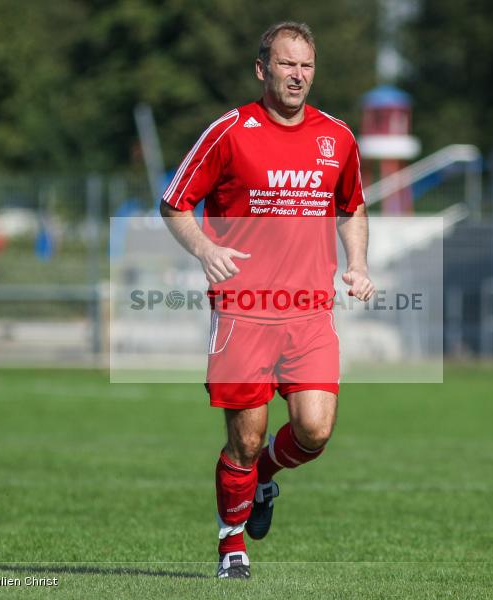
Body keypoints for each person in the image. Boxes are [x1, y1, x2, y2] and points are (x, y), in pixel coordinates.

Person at [159, 21, 374, 579]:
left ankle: (262, 482)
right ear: (262, 69)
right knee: (246, 440)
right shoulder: (230, 132)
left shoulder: (337, 137)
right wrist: (206, 249)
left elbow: (352, 205)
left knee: (315, 430)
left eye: (306, 65)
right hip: (242, 311)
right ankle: (232, 547)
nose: (297, 75)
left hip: (310, 311)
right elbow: (174, 203)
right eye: (286, 64)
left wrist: (357, 263)